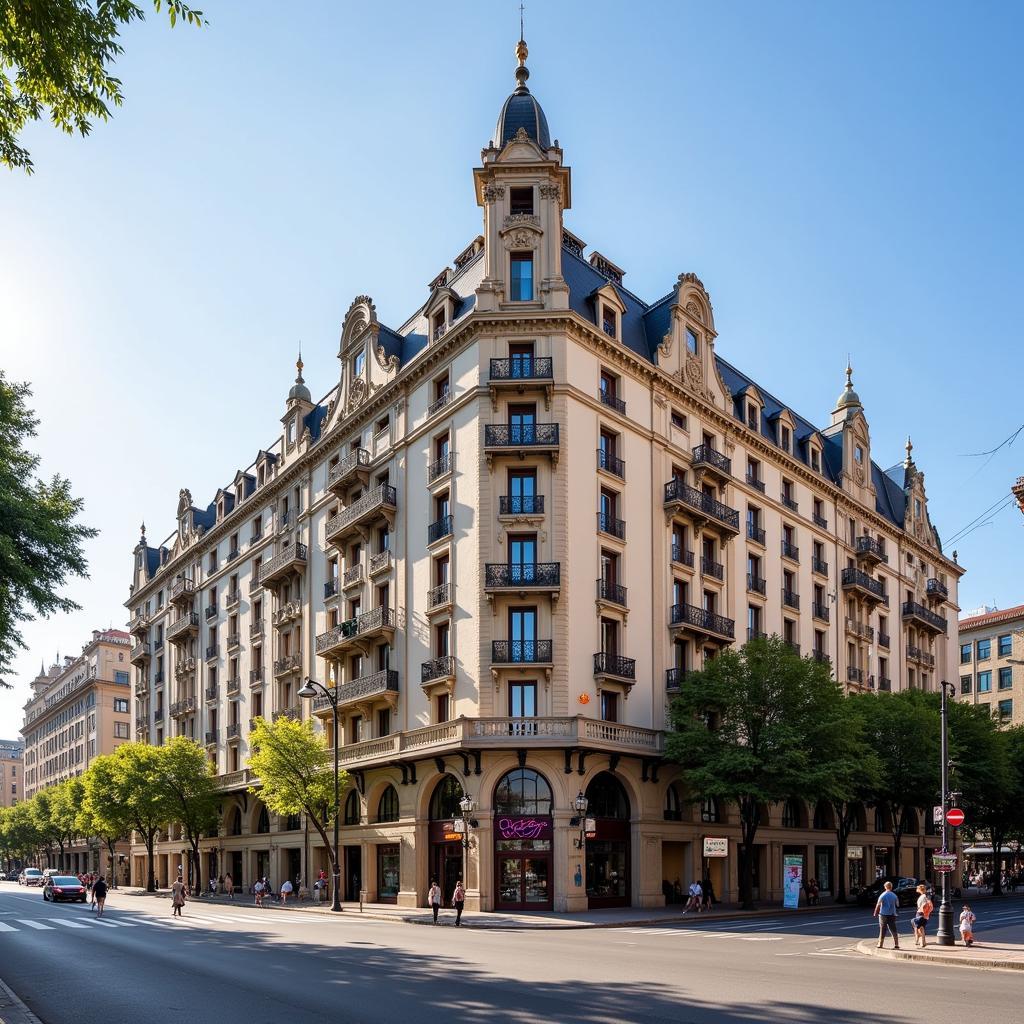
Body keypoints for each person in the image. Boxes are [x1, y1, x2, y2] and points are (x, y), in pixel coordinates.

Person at [873, 880, 900, 949]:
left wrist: (875, 912)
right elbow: (897, 905)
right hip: (892, 914)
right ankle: (896, 944)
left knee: (882, 929)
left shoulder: (883, 895)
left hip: (883, 914)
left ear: (885, 887)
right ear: (891, 887)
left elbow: (878, 904)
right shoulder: (894, 895)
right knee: (893, 929)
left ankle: (880, 944)